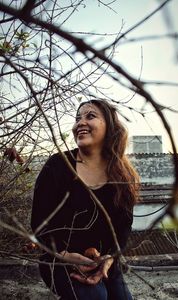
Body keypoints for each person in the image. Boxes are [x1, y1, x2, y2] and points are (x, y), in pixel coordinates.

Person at [31, 99, 140, 300]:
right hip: (59, 260)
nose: (80, 123)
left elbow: (123, 228)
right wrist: (64, 255)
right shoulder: (57, 166)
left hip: (102, 261)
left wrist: (108, 259)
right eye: (77, 118)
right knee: (95, 296)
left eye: (90, 116)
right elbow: (39, 224)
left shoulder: (122, 175)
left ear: (109, 126)